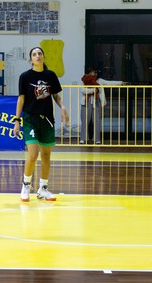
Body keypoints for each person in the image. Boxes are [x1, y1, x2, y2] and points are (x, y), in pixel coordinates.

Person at [13, 46, 69, 202]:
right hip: (31, 119)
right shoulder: (25, 76)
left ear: (43, 57)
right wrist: (17, 121)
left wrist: (62, 106)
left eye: (39, 54)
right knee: (33, 154)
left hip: (48, 120)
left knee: (46, 156)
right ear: (30, 59)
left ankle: (43, 188)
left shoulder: (50, 75)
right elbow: (21, 99)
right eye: (34, 54)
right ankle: (26, 185)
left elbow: (56, 96)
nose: (37, 56)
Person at [80, 66, 126, 144]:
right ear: (89, 72)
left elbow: (110, 83)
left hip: (97, 101)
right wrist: (94, 90)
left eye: (96, 72)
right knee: (85, 121)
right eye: (93, 72)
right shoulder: (85, 79)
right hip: (86, 102)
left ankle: (97, 139)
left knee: (97, 121)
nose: (95, 73)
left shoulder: (100, 81)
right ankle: (83, 139)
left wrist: (121, 83)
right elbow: (83, 90)